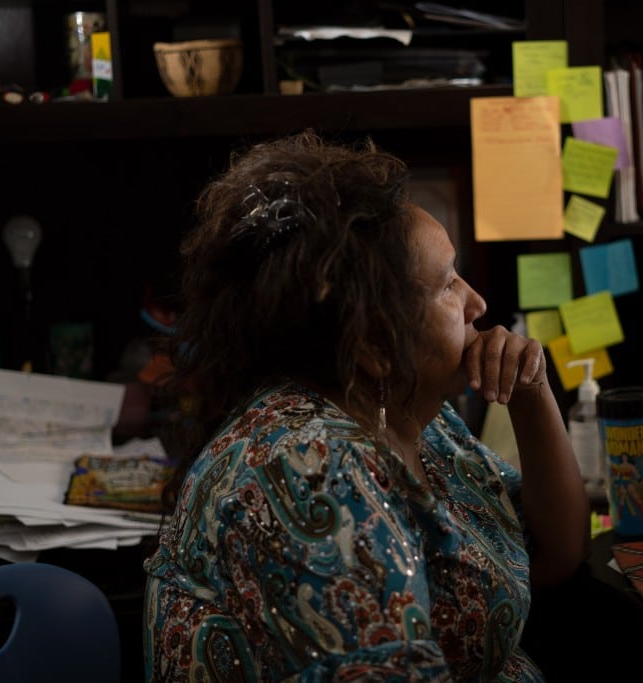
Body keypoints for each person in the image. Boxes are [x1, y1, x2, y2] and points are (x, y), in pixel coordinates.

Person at [142, 130, 595, 681]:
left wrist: (530, 392)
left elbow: (556, 553)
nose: (478, 302)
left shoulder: (414, 419)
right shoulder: (310, 472)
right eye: (449, 284)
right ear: (375, 347)